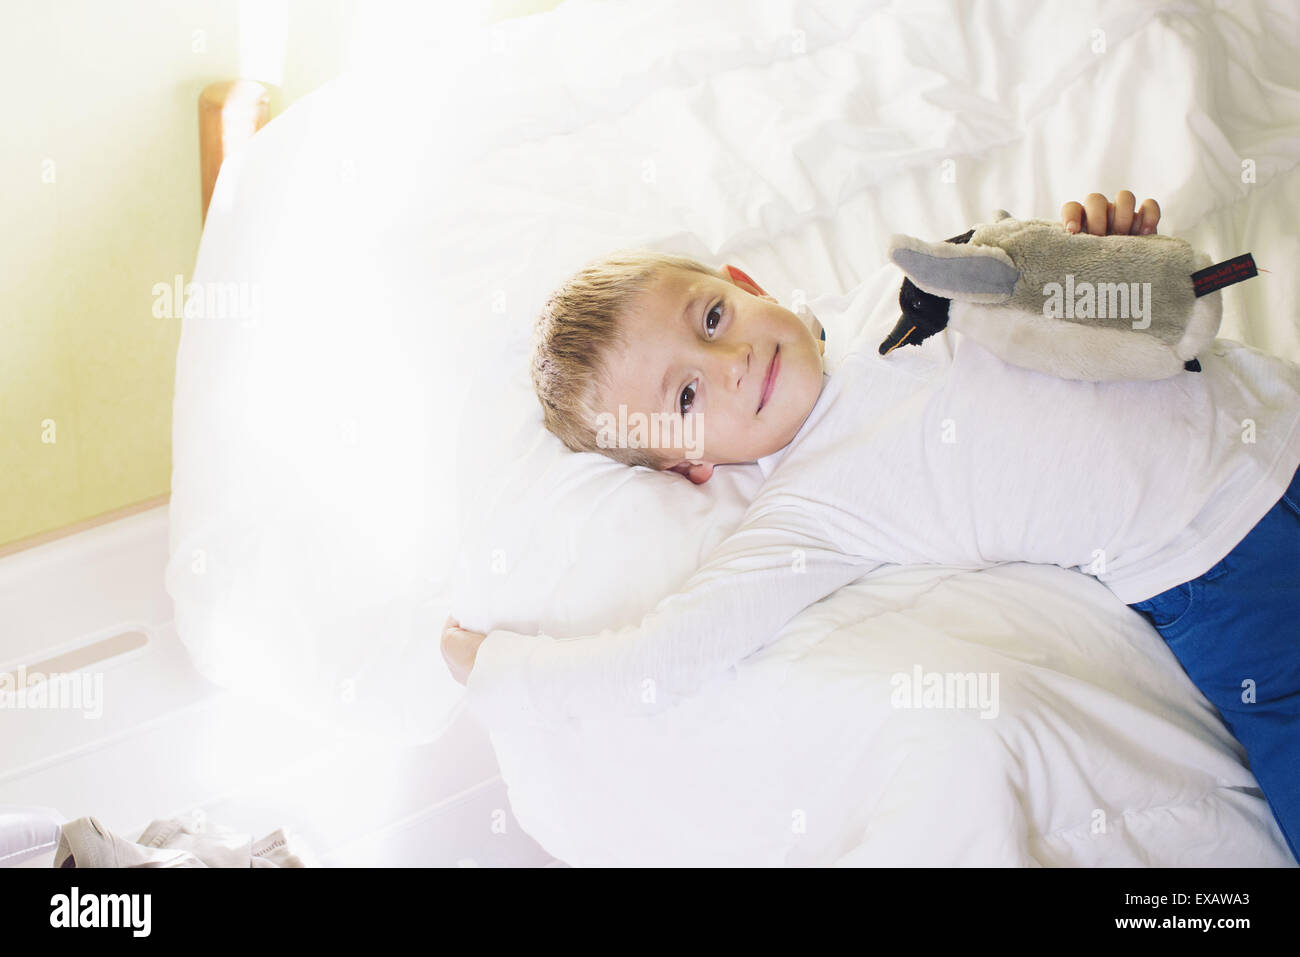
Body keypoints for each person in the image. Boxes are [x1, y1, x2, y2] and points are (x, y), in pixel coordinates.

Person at [442, 191, 1300, 860]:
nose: (732, 361)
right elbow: (659, 659)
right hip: (1228, 572)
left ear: (745, 286)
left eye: (710, 320)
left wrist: (1113, 244)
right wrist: (496, 668)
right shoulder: (810, 511)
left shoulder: (906, 283)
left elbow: (1111, 297)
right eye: (687, 397)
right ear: (688, 465)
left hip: (1278, 404)